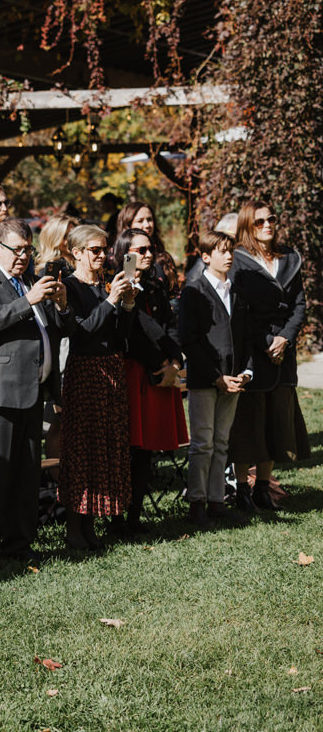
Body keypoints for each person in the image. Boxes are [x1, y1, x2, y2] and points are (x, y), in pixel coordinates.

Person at [0, 218, 71, 570]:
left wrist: (60, 305)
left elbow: (49, 333)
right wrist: (28, 300)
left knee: (26, 474)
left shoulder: (30, 283)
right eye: (17, 249)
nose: (24, 256)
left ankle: (18, 545)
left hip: (31, 391)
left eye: (28, 249)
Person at [229, 199, 311, 511]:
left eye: (271, 219)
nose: (268, 225)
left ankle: (263, 487)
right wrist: (267, 341)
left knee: (276, 422)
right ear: (247, 225)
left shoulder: (289, 258)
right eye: (260, 221)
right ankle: (242, 491)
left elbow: (299, 305)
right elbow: (238, 311)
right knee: (248, 424)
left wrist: (285, 339)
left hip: (282, 351)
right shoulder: (238, 261)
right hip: (252, 349)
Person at [59, 224, 136, 550]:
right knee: (83, 450)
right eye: (94, 250)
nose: (102, 255)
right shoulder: (70, 288)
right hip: (85, 373)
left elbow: (121, 334)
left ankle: (93, 522)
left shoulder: (107, 285)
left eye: (104, 249)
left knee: (105, 447)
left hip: (113, 370)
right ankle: (75, 526)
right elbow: (81, 332)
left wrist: (127, 304)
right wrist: (112, 300)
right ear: (76, 253)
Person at [113, 227, 187, 534]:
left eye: (149, 249)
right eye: (140, 250)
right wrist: (163, 363)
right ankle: (118, 518)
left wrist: (176, 362)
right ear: (125, 254)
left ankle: (134, 517)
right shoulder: (119, 284)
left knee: (145, 449)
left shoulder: (155, 286)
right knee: (127, 447)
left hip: (158, 370)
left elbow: (168, 326)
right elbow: (133, 334)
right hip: (132, 369)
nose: (147, 254)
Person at [179, 230, 253, 527]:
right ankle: (196, 503)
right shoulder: (194, 291)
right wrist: (216, 377)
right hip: (205, 380)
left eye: (231, 250)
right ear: (206, 257)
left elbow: (245, 338)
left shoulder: (237, 292)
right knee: (202, 443)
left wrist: (246, 372)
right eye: (221, 251)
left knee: (222, 442)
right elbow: (189, 340)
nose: (229, 255)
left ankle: (217, 500)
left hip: (234, 379)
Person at [34, 213, 78, 279]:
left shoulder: (84, 261)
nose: (70, 240)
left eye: (73, 235)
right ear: (54, 239)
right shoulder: (51, 269)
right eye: (65, 236)